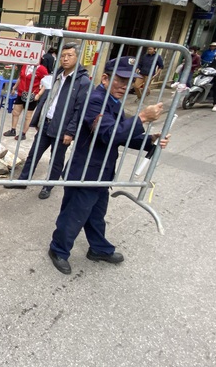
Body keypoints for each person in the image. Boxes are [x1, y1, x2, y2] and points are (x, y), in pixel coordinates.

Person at [47, 56, 169, 275]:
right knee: (74, 214)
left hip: (101, 172)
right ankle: (58, 250)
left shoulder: (112, 101)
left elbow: (122, 135)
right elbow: (109, 133)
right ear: (105, 78)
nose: (124, 86)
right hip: (84, 173)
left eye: (129, 81)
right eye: (119, 79)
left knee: (96, 214)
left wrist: (150, 139)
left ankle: (99, 249)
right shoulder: (95, 100)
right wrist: (141, 117)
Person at [4, 43, 91, 200]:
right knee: (34, 153)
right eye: (63, 55)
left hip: (63, 128)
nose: (65, 59)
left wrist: (71, 131)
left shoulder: (82, 81)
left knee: (56, 159)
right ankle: (23, 180)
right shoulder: (57, 74)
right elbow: (46, 98)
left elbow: (80, 109)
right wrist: (38, 119)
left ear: (77, 57)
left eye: (69, 55)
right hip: (46, 122)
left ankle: (48, 186)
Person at [3, 63, 48, 140]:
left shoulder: (42, 69)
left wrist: (39, 94)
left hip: (32, 95)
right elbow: (20, 78)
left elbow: (46, 83)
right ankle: (13, 130)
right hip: (21, 93)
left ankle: (23, 133)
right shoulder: (25, 65)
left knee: (27, 116)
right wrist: (14, 87)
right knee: (15, 112)